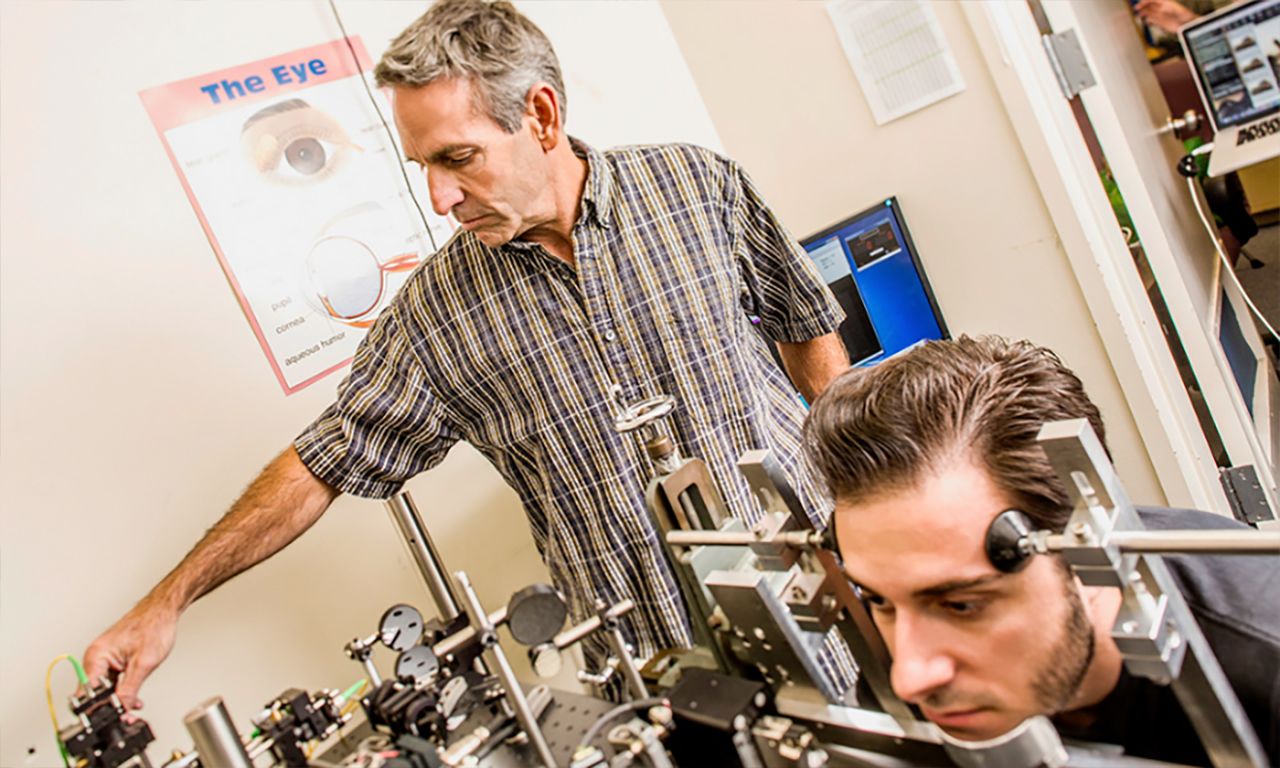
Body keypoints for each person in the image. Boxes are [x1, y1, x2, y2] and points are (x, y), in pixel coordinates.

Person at [83, 0, 850, 710]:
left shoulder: (695, 186)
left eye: (457, 158)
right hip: (659, 675)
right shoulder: (436, 315)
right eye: (422, 166)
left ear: (541, 116)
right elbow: (323, 460)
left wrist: (860, 501)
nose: (440, 198)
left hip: (823, 605)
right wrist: (168, 600)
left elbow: (807, 326)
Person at [803, 335, 1279, 765]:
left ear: (1091, 557)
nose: (909, 678)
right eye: (878, 600)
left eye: (962, 604)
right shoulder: (910, 674)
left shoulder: (1262, 657)